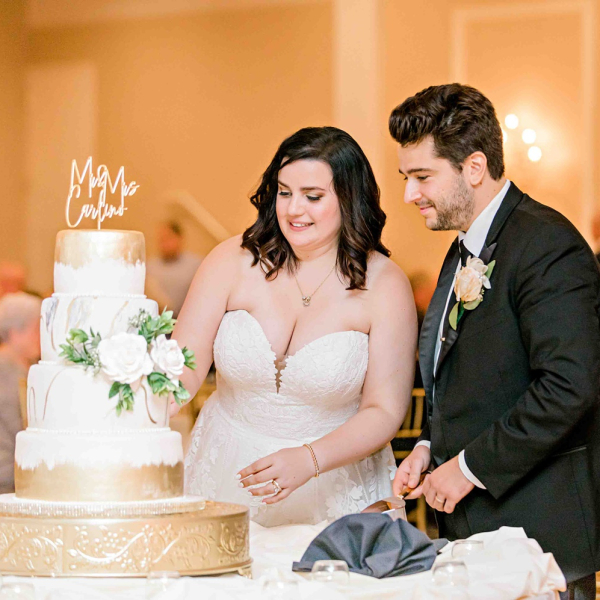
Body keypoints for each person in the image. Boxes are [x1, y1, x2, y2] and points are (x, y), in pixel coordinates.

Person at [390, 83, 599, 599]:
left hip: (541, 541)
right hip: (477, 538)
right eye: (406, 178)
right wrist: (428, 447)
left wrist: (468, 468)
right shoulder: (463, 248)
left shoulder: (547, 243)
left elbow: (569, 386)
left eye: (422, 177)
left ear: (474, 167)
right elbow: (470, 376)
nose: (409, 194)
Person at [172, 126, 417, 526]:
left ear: (350, 199)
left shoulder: (385, 285)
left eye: (313, 197)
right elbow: (182, 367)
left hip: (334, 479)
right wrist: (140, 405)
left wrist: (310, 459)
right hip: (224, 470)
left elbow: (384, 409)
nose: (293, 210)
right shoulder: (230, 261)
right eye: (284, 193)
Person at [0, 292, 42, 493]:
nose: (41, 338)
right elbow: (20, 426)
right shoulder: (4, 370)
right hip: (8, 480)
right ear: (15, 332)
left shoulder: (25, 367)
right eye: (36, 329)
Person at [147, 221, 203, 317]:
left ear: (179, 239)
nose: (165, 244)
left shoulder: (195, 265)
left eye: (169, 238)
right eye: (162, 240)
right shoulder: (150, 266)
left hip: (186, 318)